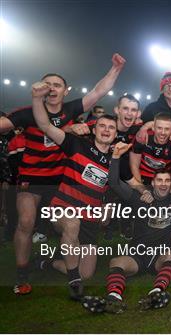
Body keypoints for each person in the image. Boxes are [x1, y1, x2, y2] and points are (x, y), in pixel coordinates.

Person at [2, 53, 125, 295]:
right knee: (27, 222)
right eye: (46, 84)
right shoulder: (27, 113)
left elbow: (98, 92)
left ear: (65, 90)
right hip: (34, 178)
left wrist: (116, 68)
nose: (51, 88)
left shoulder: (70, 109)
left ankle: (58, 258)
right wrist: (59, 123)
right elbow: (43, 124)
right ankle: (23, 273)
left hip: (63, 178)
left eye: (56, 84)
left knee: (76, 237)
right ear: (39, 88)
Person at [30, 81, 118, 299]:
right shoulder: (76, 143)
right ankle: (73, 281)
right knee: (72, 223)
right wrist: (36, 98)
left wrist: (108, 207)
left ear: (116, 134)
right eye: (102, 126)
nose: (106, 130)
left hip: (91, 218)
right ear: (94, 129)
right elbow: (45, 125)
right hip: (63, 208)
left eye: (111, 128)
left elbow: (113, 187)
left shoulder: (115, 159)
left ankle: (49, 263)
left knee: (86, 272)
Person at [81, 142, 171, 313]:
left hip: (160, 255)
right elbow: (113, 183)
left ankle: (156, 293)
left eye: (167, 181)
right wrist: (116, 157)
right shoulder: (139, 198)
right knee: (117, 262)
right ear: (152, 183)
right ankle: (113, 298)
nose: (163, 184)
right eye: (159, 181)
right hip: (139, 254)